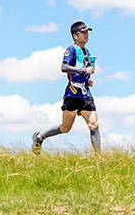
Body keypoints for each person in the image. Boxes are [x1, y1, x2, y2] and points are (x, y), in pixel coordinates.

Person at [32, 21, 100, 154]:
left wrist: (87, 80)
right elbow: (64, 67)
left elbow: (81, 71)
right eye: (83, 32)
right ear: (75, 35)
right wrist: (83, 71)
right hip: (73, 93)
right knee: (65, 128)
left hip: (85, 94)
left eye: (87, 32)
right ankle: (39, 138)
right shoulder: (71, 49)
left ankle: (99, 157)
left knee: (94, 125)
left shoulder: (86, 51)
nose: (86, 35)